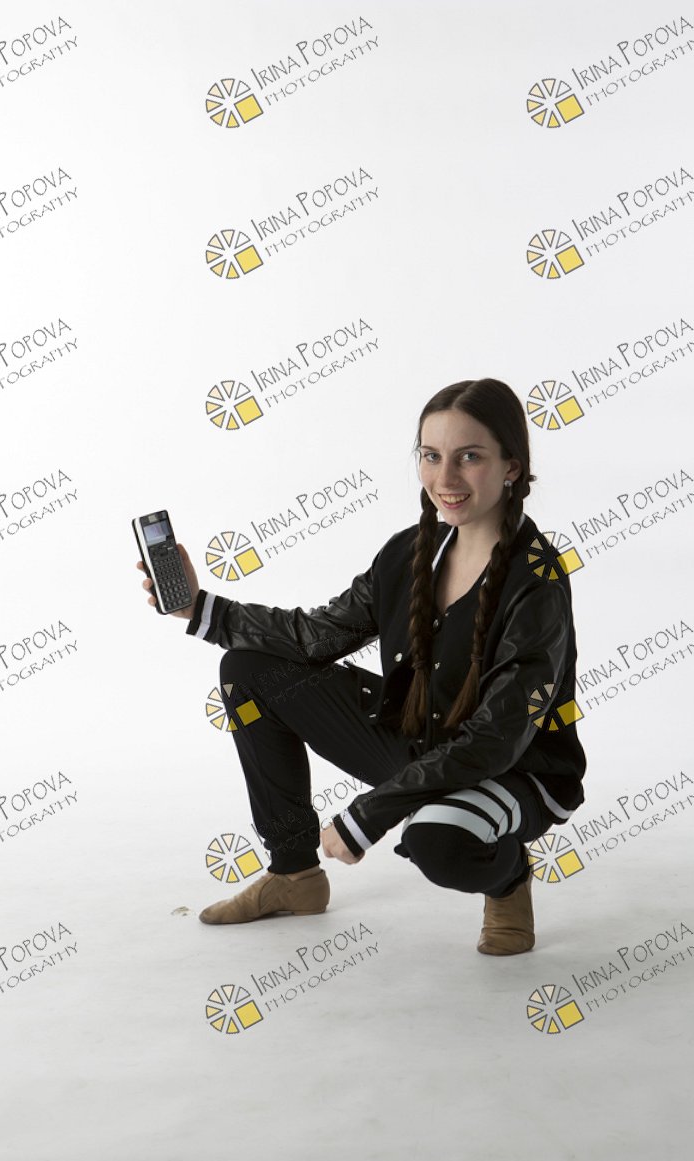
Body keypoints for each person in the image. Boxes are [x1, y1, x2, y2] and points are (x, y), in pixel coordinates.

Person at [136, 378, 586, 954]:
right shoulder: (408, 552)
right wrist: (200, 608)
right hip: (419, 743)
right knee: (249, 670)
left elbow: (497, 737)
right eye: (431, 456)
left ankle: (509, 880)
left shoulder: (538, 580)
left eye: (469, 457)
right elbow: (316, 636)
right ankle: (294, 875)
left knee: (437, 842)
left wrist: (368, 815)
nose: (445, 479)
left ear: (511, 467)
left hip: (512, 769)